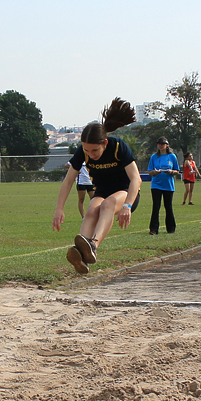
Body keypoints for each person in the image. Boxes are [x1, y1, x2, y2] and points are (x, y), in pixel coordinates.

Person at [52, 98, 141, 274]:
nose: (90, 155)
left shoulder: (117, 147)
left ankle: (93, 246)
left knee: (107, 204)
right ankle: (81, 255)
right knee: (91, 210)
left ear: (104, 143)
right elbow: (68, 181)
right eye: (86, 151)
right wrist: (58, 208)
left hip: (126, 193)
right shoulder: (82, 153)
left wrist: (127, 206)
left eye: (95, 150)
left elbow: (136, 179)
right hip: (103, 191)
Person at [146, 137, 179, 234]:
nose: (161, 145)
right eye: (159, 144)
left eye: (163, 144)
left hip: (168, 185)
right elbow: (150, 171)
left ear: (167, 145)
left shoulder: (172, 156)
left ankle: (171, 228)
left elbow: (177, 170)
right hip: (156, 184)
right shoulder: (154, 157)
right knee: (156, 206)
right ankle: (153, 229)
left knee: (168, 206)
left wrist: (171, 171)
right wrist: (155, 172)